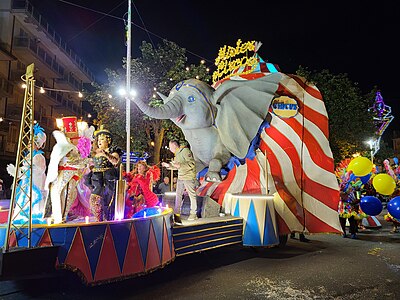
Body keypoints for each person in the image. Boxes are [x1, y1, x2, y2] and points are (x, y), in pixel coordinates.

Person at [45, 117, 91, 224]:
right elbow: (72, 161)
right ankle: (59, 216)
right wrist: (86, 161)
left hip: (70, 177)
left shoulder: (69, 147)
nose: (78, 140)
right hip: (63, 176)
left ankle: (61, 216)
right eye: (76, 138)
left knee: (68, 196)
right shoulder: (65, 147)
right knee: (63, 195)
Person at [7, 123, 47, 223]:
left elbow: (38, 171)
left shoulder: (38, 157)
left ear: (36, 144)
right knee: (23, 200)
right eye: (29, 143)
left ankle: (33, 218)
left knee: (33, 198)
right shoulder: (30, 155)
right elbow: (26, 169)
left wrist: (21, 172)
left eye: (31, 143)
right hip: (27, 182)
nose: (28, 145)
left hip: (34, 183)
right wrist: (17, 172)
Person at [89, 126, 121, 221]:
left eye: (102, 139)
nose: (99, 142)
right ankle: (99, 218)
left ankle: (109, 218)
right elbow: (91, 164)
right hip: (96, 178)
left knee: (108, 198)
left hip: (108, 177)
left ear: (108, 141)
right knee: (95, 198)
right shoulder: (95, 153)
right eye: (98, 139)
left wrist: (106, 154)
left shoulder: (112, 151)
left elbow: (115, 161)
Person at [162, 140, 198, 223]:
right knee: (178, 195)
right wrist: (169, 165)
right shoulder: (176, 155)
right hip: (181, 177)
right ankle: (177, 213)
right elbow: (177, 167)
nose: (170, 149)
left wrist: (179, 165)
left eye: (170, 147)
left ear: (175, 145)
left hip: (188, 177)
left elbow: (191, 163)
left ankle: (193, 213)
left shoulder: (185, 151)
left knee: (192, 195)